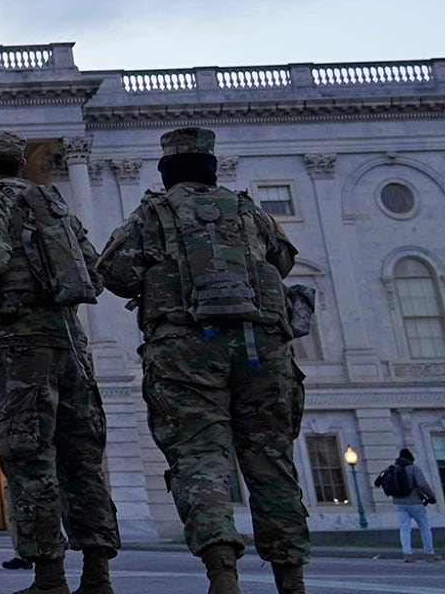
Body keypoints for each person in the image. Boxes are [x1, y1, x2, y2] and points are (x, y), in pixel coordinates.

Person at [97, 126, 309, 594]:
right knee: (272, 462)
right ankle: (291, 580)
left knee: (199, 460)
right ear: (212, 170)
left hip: (185, 351)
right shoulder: (250, 211)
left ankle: (222, 573)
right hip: (262, 348)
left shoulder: (152, 214)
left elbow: (113, 272)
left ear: (167, 172)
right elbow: (284, 261)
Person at [0, 130, 118, 594]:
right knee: (82, 458)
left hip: (23, 341)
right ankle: (98, 574)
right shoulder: (55, 206)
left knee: (27, 452)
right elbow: (94, 269)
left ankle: (49, 575)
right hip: (71, 341)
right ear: (21, 163)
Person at [376, 448, 442, 562]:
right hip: (415, 502)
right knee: (424, 527)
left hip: (398, 503)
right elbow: (422, 484)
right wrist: (431, 497)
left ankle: (407, 554)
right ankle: (429, 553)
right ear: (411, 459)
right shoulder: (413, 469)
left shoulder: (390, 469)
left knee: (404, 529)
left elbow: (377, 483)